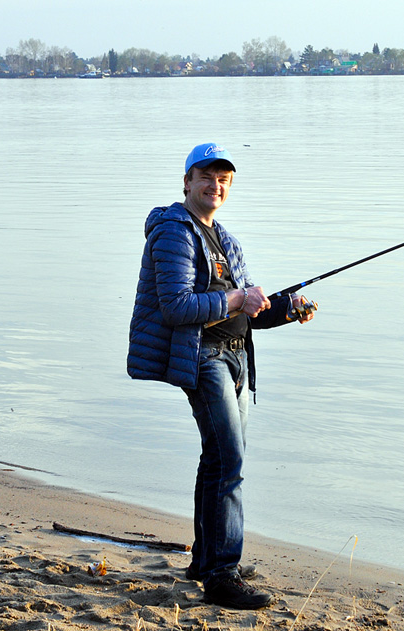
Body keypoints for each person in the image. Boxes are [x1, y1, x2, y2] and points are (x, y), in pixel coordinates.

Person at [127, 142, 315, 609]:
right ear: (187, 182)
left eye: (224, 180)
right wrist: (236, 299)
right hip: (202, 357)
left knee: (217, 458)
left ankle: (207, 558)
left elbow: (247, 312)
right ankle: (222, 575)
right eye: (207, 177)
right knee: (230, 459)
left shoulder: (225, 240)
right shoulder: (173, 233)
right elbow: (176, 308)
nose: (216, 186)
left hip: (236, 359)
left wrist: (286, 309)